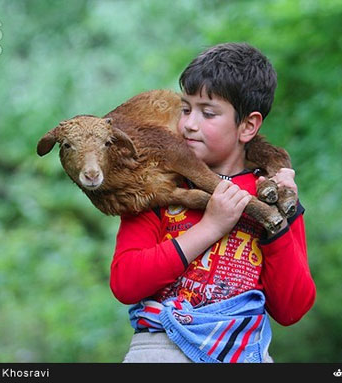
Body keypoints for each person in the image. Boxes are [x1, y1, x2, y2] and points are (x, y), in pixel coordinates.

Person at [110, 42, 316, 363]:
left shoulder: (271, 192)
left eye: (207, 113)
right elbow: (125, 283)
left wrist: (279, 224)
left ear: (247, 126)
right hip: (161, 350)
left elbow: (291, 308)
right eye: (185, 108)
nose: (189, 124)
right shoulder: (159, 184)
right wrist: (210, 227)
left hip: (243, 352)